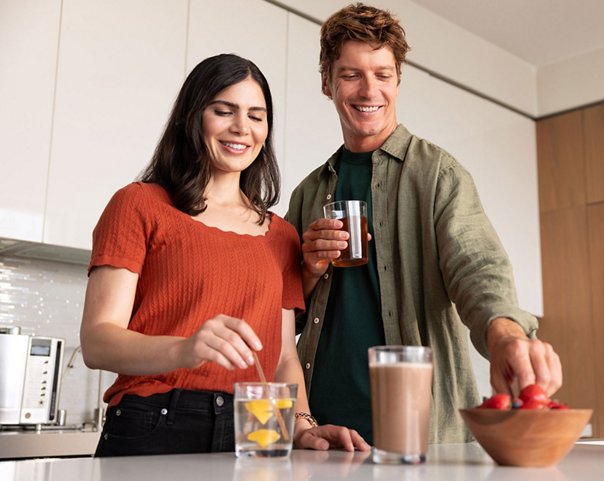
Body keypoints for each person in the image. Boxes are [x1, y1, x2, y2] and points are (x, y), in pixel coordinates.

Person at [285, 3, 562, 444]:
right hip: (323, 430)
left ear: (398, 81)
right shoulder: (308, 193)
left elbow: (477, 267)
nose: (368, 89)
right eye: (351, 74)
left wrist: (505, 333)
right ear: (327, 83)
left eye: (382, 73)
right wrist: (307, 271)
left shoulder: (437, 174)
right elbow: (281, 319)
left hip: (422, 434)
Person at [80, 53, 369, 456]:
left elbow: (284, 357)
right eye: (223, 110)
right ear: (192, 117)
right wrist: (184, 349)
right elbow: (97, 342)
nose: (241, 128)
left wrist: (302, 427)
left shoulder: (281, 234)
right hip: (158, 421)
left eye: (256, 115)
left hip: (260, 424)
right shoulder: (139, 204)